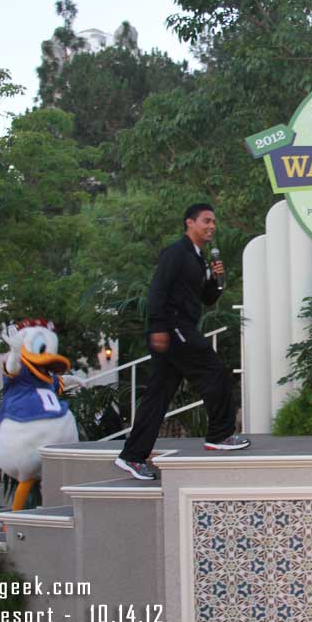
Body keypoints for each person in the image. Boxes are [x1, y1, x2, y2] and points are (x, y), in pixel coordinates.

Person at [115, 204, 249, 480]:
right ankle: (220, 435)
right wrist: (159, 327)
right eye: (206, 221)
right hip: (173, 327)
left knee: (158, 395)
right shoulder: (176, 253)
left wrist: (216, 280)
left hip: (180, 327)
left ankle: (132, 456)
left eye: (214, 221)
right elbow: (158, 290)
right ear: (189, 223)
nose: (212, 226)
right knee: (215, 371)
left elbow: (207, 299)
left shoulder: (199, 258)